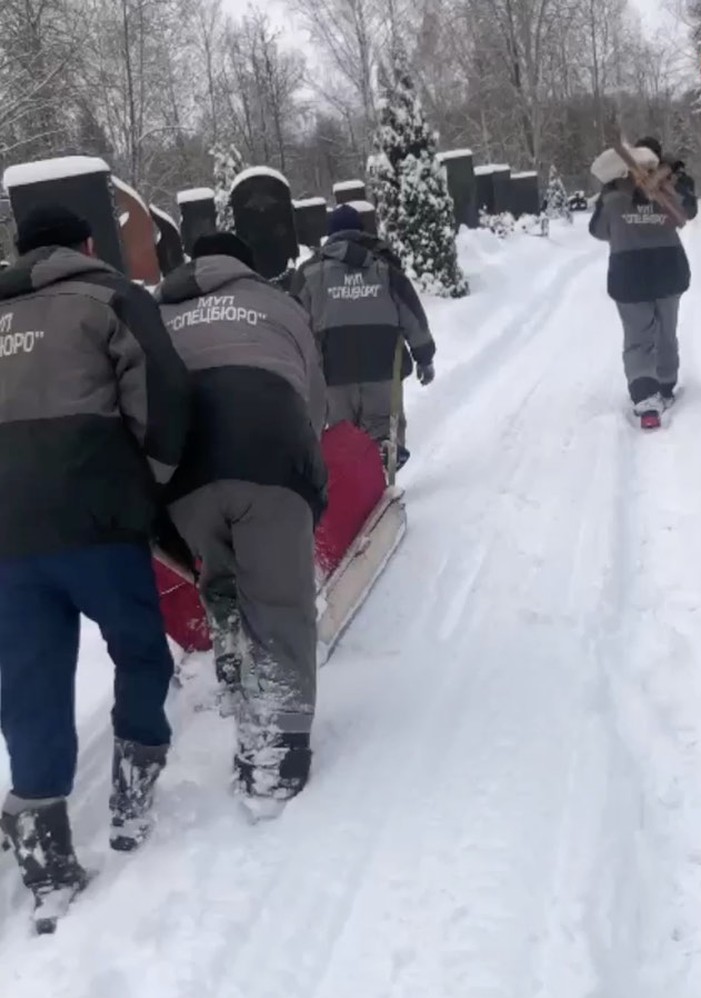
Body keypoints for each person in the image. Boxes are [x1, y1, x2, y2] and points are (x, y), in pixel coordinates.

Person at [0, 204, 189, 927]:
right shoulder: (112, 296)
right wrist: (153, 482)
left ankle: (46, 853)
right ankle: (132, 796)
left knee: (30, 684)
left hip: (8, 543)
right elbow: (163, 396)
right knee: (140, 651)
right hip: (98, 519)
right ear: (86, 244)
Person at [154, 231, 327, 814]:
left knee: (222, 575)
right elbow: (313, 400)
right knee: (280, 601)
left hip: (185, 475)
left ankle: (234, 667)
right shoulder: (279, 304)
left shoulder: (155, 308)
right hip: (272, 455)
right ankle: (275, 755)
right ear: (246, 265)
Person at [291, 204, 436, 471]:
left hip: (333, 373)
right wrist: (424, 357)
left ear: (331, 235)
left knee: (342, 435)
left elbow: (293, 321)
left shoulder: (310, 273)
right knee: (384, 430)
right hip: (382, 369)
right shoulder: (385, 268)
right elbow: (412, 315)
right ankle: (382, 480)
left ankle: (354, 491)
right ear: (361, 232)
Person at [589, 136, 698, 423]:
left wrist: (614, 202)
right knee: (666, 331)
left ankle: (646, 397)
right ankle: (665, 385)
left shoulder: (613, 193)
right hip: (668, 269)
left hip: (629, 273)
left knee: (638, 338)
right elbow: (689, 212)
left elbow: (598, 230)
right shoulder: (670, 188)